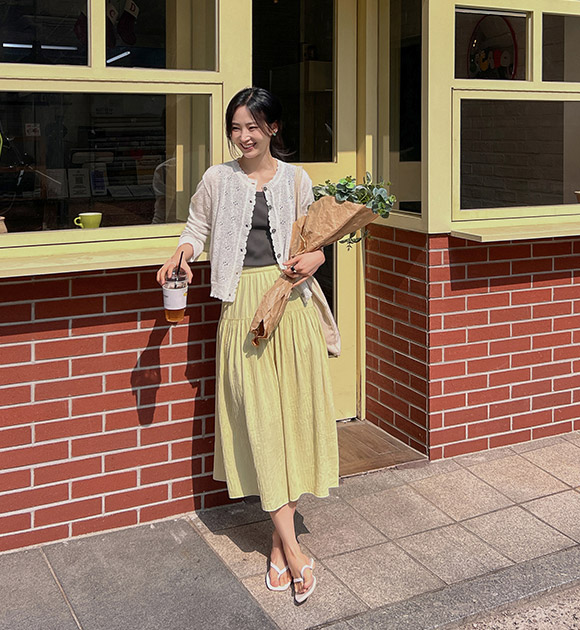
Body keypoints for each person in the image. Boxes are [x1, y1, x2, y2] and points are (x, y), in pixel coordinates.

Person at [157, 87, 339, 603]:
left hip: (291, 304)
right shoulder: (217, 179)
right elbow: (195, 228)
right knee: (258, 421)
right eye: (236, 127)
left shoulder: (297, 180)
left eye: (253, 127)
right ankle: (295, 552)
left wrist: (318, 257)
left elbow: (314, 242)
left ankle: (280, 548)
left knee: (293, 419)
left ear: (272, 128)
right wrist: (181, 254)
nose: (244, 136)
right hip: (242, 308)